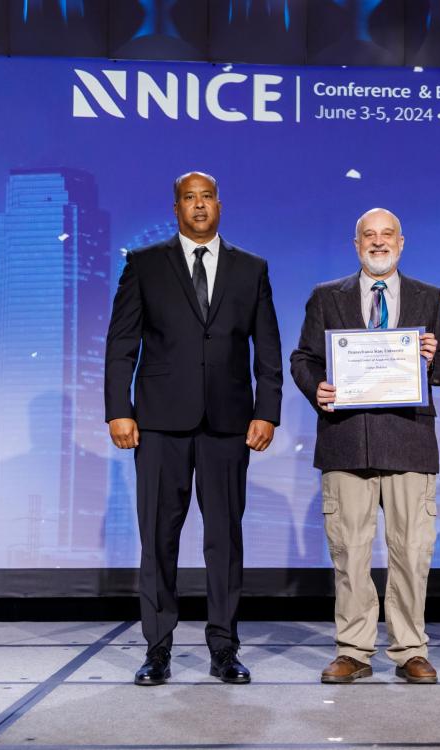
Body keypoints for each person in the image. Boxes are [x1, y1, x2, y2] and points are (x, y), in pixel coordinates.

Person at [104, 171, 282, 686]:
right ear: (176, 206)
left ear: (219, 205)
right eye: (189, 198)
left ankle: (224, 648)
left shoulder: (251, 268)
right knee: (158, 537)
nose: (199, 206)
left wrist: (266, 410)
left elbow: (266, 349)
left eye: (206, 198)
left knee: (224, 538)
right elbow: (122, 344)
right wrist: (120, 408)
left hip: (229, 424)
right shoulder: (144, 264)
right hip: (158, 423)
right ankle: (157, 648)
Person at [291, 208, 440, 684]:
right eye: (370, 235)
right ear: (357, 243)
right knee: (350, 553)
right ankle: (354, 650)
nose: (379, 242)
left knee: (411, 552)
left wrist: (433, 359)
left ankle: (410, 650)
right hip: (346, 443)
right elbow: (303, 358)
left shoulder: (431, 296)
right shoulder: (326, 297)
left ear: (401, 243)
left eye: (387, 235)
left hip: (408, 441)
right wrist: (317, 387)